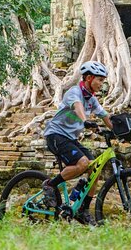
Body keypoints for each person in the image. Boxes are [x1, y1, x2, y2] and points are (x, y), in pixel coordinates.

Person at [42, 60, 114, 225]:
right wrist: (85, 121)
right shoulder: (75, 92)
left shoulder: (92, 99)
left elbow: (105, 116)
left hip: (70, 139)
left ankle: (82, 210)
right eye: (100, 80)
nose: (102, 84)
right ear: (89, 78)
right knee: (82, 163)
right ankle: (50, 186)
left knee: (94, 168)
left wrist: (117, 131)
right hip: (56, 135)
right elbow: (77, 107)